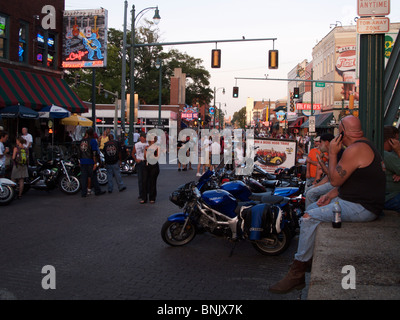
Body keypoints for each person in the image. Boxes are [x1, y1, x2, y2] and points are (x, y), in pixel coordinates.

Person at [269, 115, 386, 294]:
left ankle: (297, 272)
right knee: (313, 208)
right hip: (356, 201)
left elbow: (335, 179)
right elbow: (355, 182)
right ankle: (307, 259)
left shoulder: (355, 149)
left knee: (309, 217)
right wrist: (330, 195)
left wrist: (332, 153)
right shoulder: (365, 145)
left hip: (362, 208)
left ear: (342, 132)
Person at [304, 133, 335, 209]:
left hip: (336, 185)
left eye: (320, 142)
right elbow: (328, 177)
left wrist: (320, 161)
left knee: (310, 194)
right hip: (329, 181)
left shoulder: (334, 154)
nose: (319, 144)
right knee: (308, 190)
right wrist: (315, 185)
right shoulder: (329, 154)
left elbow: (331, 177)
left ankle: (310, 216)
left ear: (326, 142)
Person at [78, 128, 106, 197]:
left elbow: (79, 152)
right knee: (93, 176)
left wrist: (79, 160)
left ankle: (83, 192)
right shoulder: (92, 141)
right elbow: (94, 152)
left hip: (83, 160)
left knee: (84, 177)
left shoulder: (82, 141)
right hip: (90, 161)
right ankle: (97, 190)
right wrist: (95, 162)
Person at [383, 126, 400, 212]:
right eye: (397, 139)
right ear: (391, 141)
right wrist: (398, 150)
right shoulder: (387, 155)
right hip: (392, 197)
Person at [142, 135, 160, 203]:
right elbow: (145, 156)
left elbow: (157, 156)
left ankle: (152, 198)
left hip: (154, 165)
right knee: (144, 181)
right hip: (146, 164)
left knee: (152, 182)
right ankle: (144, 198)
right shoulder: (146, 147)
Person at [132, 132, 148, 203]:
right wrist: (136, 159)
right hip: (140, 162)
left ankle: (145, 193)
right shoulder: (136, 144)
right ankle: (141, 193)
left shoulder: (148, 144)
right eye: (143, 138)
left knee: (146, 179)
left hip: (146, 162)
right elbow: (132, 153)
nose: (144, 139)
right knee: (140, 179)